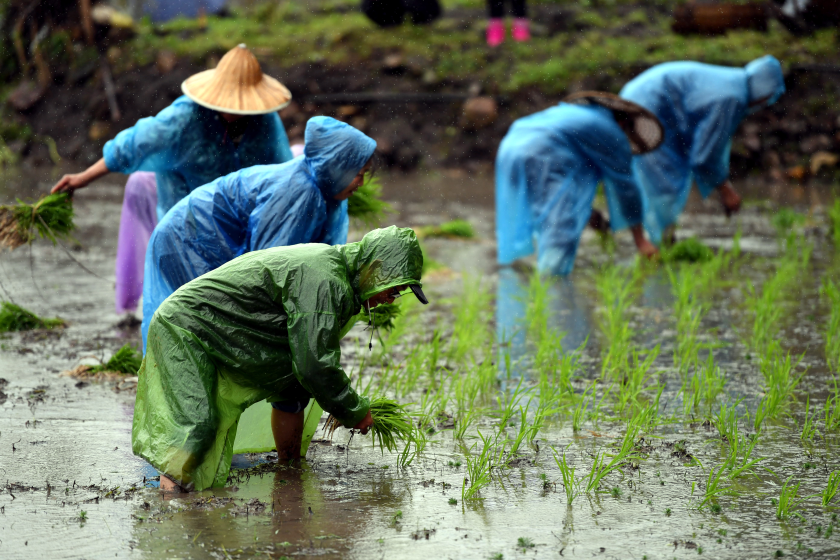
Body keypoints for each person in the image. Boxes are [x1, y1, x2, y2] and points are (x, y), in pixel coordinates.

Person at [132, 226, 429, 492]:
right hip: (184, 327)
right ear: (375, 268)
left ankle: (290, 465)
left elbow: (302, 367)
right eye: (393, 289)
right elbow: (315, 365)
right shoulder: (325, 280)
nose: (391, 298)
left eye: (399, 293)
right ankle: (172, 507)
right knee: (197, 423)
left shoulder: (341, 280)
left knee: (293, 386)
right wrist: (353, 410)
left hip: (220, 330)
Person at [51, 44, 294, 316]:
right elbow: (133, 144)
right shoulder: (183, 119)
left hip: (238, 219)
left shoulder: (264, 121)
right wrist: (83, 178)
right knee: (190, 301)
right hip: (186, 216)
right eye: (232, 104)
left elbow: (282, 171)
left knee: (239, 298)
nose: (238, 111)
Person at [140, 116, 377, 349]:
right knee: (200, 325)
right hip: (188, 237)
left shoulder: (330, 193)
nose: (361, 183)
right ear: (338, 168)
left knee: (219, 329)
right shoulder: (296, 193)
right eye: (359, 174)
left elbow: (322, 261)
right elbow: (267, 270)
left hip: (209, 238)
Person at [619, 55, 785, 245]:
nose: (765, 103)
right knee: (664, 182)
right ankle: (658, 246)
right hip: (648, 106)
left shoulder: (733, 83)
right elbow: (704, 155)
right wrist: (726, 191)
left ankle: (657, 242)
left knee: (661, 180)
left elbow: (705, 143)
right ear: (763, 89)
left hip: (642, 97)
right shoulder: (732, 97)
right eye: (768, 97)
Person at [495, 91, 663, 276]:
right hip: (543, 152)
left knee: (542, 214)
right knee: (562, 230)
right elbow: (626, 189)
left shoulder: (576, 118)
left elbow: (570, 184)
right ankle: (551, 282)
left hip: (510, 147)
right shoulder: (610, 130)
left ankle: (517, 275)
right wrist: (640, 241)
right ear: (623, 124)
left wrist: (588, 212)